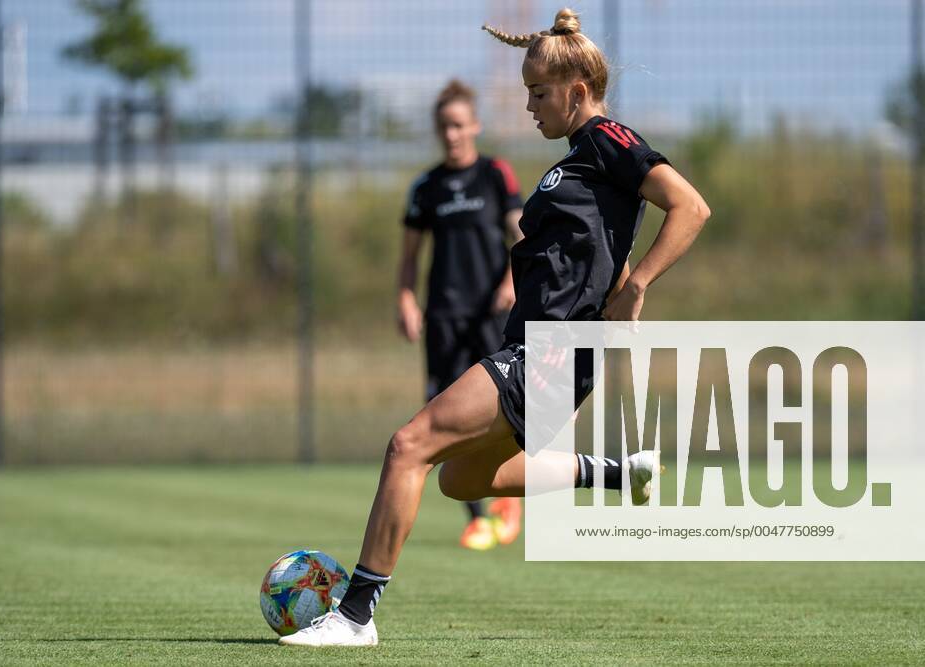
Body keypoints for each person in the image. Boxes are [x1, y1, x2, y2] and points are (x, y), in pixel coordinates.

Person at [280, 7, 710, 647]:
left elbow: (690, 205)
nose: (530, 105)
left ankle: (355, 615)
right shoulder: (578, 159)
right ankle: (614, 472)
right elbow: (596, 249)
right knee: (462, 479)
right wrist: (615, 287)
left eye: (538, 93)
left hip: (549, 353)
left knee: (408, 446)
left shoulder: (607, 140)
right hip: (549, 353)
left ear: (578, 92)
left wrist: (639, 286)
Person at [397, 79, 524, 551]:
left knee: (499, 410)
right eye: (443, 127)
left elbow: (521, 234)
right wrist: (406, 299)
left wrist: (512, 282)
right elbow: (410, 254)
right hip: (444, 318)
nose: (450, 134)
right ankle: (479, 516)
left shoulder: (496, 175)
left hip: (491, 314)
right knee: (441, 418)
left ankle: (506, 495)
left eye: (457, 125)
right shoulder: (426, 187)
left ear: (474, 125)